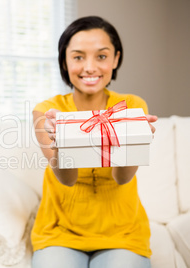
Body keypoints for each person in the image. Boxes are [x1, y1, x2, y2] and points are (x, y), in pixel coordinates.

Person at [31, 16, 158, 268]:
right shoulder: (47, 111)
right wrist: (60, 143)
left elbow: (122, 178)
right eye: (78, 57)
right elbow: (67, 180)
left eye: (101, 56)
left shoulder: (131, 106)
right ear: (64, 62)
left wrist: (134, 143)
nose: (90, 67)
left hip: (123, 234)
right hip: (60, 233)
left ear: (116, 59)